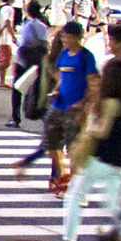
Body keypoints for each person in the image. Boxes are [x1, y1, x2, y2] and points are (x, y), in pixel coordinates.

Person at [62, 59, 121, 241]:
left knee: (74, 196)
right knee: (115, 205)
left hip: (101, 160)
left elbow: (102, 132)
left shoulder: (109, 103)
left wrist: (91, 124)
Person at [19, 20, 97, 187]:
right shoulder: (63, 55)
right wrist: (55, 92)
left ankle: (74, 184)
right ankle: (60, 176)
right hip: (58, 105)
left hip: (74, 109)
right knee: (51, 142)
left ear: (78, 38)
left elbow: (93, 83)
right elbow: (62, 79)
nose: (66, 41)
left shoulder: (85, 56)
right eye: (63, 38)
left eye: (69, 38)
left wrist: (83, 105)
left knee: (73, 147)